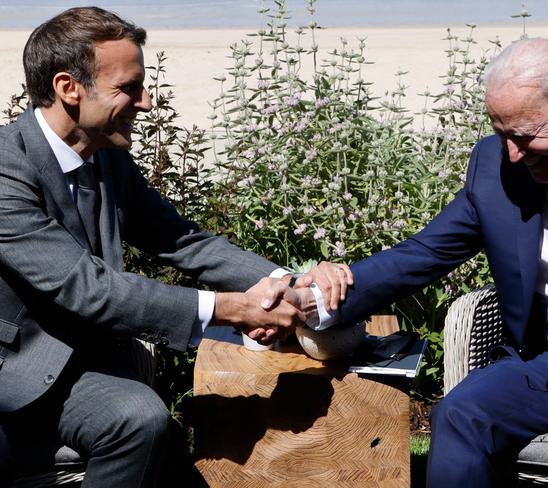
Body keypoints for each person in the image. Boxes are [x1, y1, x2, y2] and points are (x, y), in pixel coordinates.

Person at [0, 7, 350, 487]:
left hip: (92, 363)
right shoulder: (5, 170)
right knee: (136, 418)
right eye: (128, 87)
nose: (146, 102)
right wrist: (231, 309)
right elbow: (86, 288)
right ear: (68, 88)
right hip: (18, 379)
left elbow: (182, 240)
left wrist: (289, 282)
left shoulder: (105, 157)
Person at [324, 37, 548, 487]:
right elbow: (424, 253)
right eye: (502, 134)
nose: (513, 154)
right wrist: (319, 298)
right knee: (460, 414)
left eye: (524, 135)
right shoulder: (496, 167)